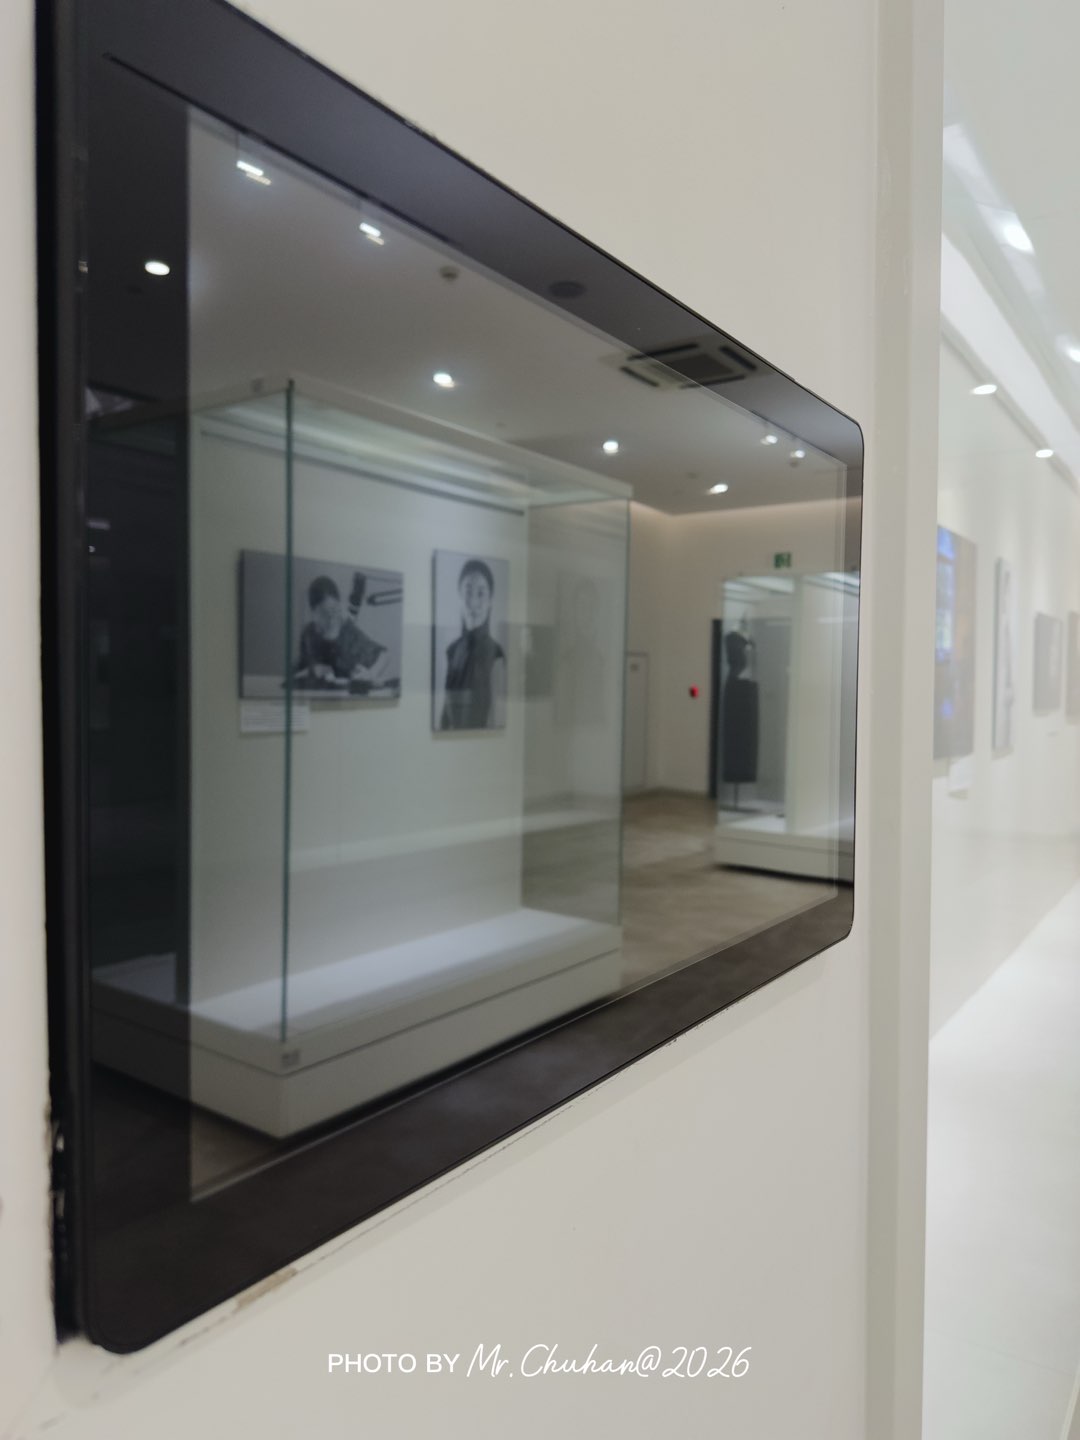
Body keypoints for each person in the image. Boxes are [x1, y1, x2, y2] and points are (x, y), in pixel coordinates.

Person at [439, 558, 506, 729]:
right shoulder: (452, 651)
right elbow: (446, 713)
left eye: (481, 593)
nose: (474, 603)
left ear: (490, 601)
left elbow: (496, 718)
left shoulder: (496, 654)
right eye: (468, 592)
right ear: (459, 597)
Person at [295, 573, 389, 691]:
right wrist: (312, 670)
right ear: (313, 613)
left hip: (345, 696)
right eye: (324, 613)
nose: (331, 619)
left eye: (334, 610)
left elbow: (384, 655)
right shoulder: (309, 633)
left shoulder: (348, 631)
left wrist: (370, 674)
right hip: (315, 696)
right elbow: (297, 672)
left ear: (339, 605)